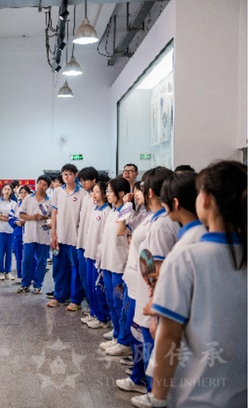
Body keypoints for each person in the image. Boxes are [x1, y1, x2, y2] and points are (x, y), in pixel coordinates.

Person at [135, 161, 247, 408]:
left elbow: (169, 336)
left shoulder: (189, 257)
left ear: (205, 200)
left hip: (198, 395)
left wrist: (158, 397)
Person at [129, 166, 179, 400]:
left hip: (154, 304)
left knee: (153, 352)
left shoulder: (161, 225)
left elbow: (157, 273)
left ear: (149, 192)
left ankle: (154, 396)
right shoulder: (158, 219)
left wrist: (155, 313)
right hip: (150, 300)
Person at [115, 181, 152, 394]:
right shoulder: (142, 216)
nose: (135, 193)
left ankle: (142, 379)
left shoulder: (157, 221)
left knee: (140, 332)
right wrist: (128, 206)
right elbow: (122, 231)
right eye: (135, 190)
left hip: (142, 284)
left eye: (139, 190)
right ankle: (138, 374)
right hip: (133, 278)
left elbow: (150, 257)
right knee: (134, 329)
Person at [97, 177, 131, 355]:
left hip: (119, 264)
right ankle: (117, 333)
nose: (107, 194)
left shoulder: (128, 212)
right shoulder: (111, 212)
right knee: (111, 301)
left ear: (121, 193)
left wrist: (127, 204)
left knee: (120, 304)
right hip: (108, 263)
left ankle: (123, 340)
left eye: (110, 191)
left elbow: (122, 233)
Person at [48, 163, 86, 310]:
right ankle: (59, 296)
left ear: (76, 175)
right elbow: (54, 213)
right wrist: (53, 234)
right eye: (64, 174)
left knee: (75, 270)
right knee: (59, 269)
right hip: (60, 237)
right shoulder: (58, 192)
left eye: (69, 174)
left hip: (75, 239)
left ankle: (75, 300)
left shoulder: (83, 194)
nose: (66, 177)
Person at [81, 180, 112, 329]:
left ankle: (102, 317)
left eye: (97, 191)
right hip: (90, 253)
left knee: (98, 287)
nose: (94, 194)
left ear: (105, 194)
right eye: (93, 191)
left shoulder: (107, 212)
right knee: (90, 286)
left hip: (99, 257)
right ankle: (94, 313)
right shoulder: (94, 210)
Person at [17, 176, 51, 294]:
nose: (41, 186)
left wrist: (44, 217)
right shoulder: (28, 198)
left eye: (44, 184)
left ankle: (38, 285)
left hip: (44, 235)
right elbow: (21, 214)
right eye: (40, 183)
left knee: (42, 261)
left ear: (48, 187)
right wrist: (32, 217)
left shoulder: (50, 201)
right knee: (27, 259)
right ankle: (25, 284)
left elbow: (53, 216)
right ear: (36, 184)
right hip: (30, 235)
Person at [76, 167, 99, 315]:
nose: (83, 184)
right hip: (81, 243)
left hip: (92, 246)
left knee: (93, 281)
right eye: (81, 182)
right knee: (85, 279)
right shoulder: (85, 197)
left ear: (94, 180)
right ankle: (92, 308)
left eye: (85, 181)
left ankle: (97, 311)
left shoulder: (99, 201)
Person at [0, 184, 17, 280]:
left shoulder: (14, 203)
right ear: (2, 190)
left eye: (9, 189)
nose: (7, 191)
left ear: (11, 191)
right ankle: (1, 272)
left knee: (9, 252)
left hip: (11, 231)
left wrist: (3, 216)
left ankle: (8, 272)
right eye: (5, 189)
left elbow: (16, 217)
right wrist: (8, 218)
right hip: (0, 230)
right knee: (1, 252)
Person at [9, 185, 31, 281]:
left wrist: (26, 221)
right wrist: (16, 222)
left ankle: (30, 276)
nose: (23, 194)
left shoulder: (33, 205)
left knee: (30, 256)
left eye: (25, 192)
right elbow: (10, 217)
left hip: (30, 234)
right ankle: (20, 275)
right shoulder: (16, 205)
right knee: (19, 256)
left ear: (29, 194)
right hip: (18, 234)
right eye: (21, 192)